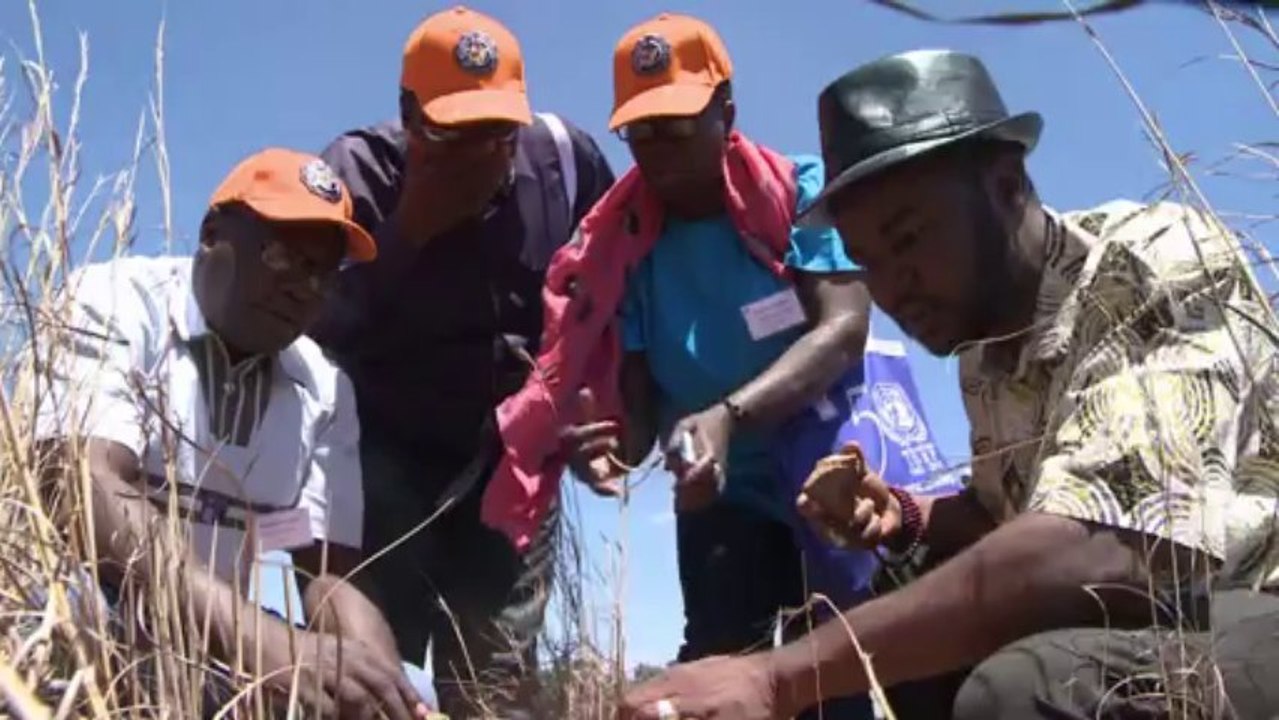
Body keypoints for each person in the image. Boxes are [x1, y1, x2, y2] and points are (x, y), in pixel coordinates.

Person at [620, 49, 1279, 720]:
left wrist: (776, 678)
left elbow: (1106, 548)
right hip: (1162, 611)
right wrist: (905, 514)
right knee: (902, 596)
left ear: (1004, 184)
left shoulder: (1148, 262)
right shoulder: (983, 345)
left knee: (1028, 689)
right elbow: (1014, 513)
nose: (890, 287)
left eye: (907, 239)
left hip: (1255, 603)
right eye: (868, 261)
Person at [31, 148, 428, 719]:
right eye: (280, 254)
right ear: (212, 234)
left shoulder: (324, 387)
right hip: (82, 625)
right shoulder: (112, 303)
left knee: (411, 689)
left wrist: (381, 688)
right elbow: (80, 481)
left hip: (214, 653)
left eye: (322, 272)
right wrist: (268, 646)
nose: (303, 287)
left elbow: (327, 571)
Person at [546, 13, 869, 716]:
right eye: (640, 130)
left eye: (675, 123)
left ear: (725, 110)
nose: (656, 149)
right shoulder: (624, 247)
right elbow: (635, 417)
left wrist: (730, 415)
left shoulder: (801, 192)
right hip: (721, 506)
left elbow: (844, 328)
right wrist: (602, 448)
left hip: (835, 485)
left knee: (846, 676)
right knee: (725, 682)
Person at [308, 6, 614, 716]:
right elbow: (314, 330)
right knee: (368, 682)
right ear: (410, 117)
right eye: (455, 133)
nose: (482, 152)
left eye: (497, 131)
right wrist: (413, 225)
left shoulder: (565, 162)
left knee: (494, 687)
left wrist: (596, 403)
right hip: (383, 461)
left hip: (511, 465)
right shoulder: (354, 174)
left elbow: (615, 287)